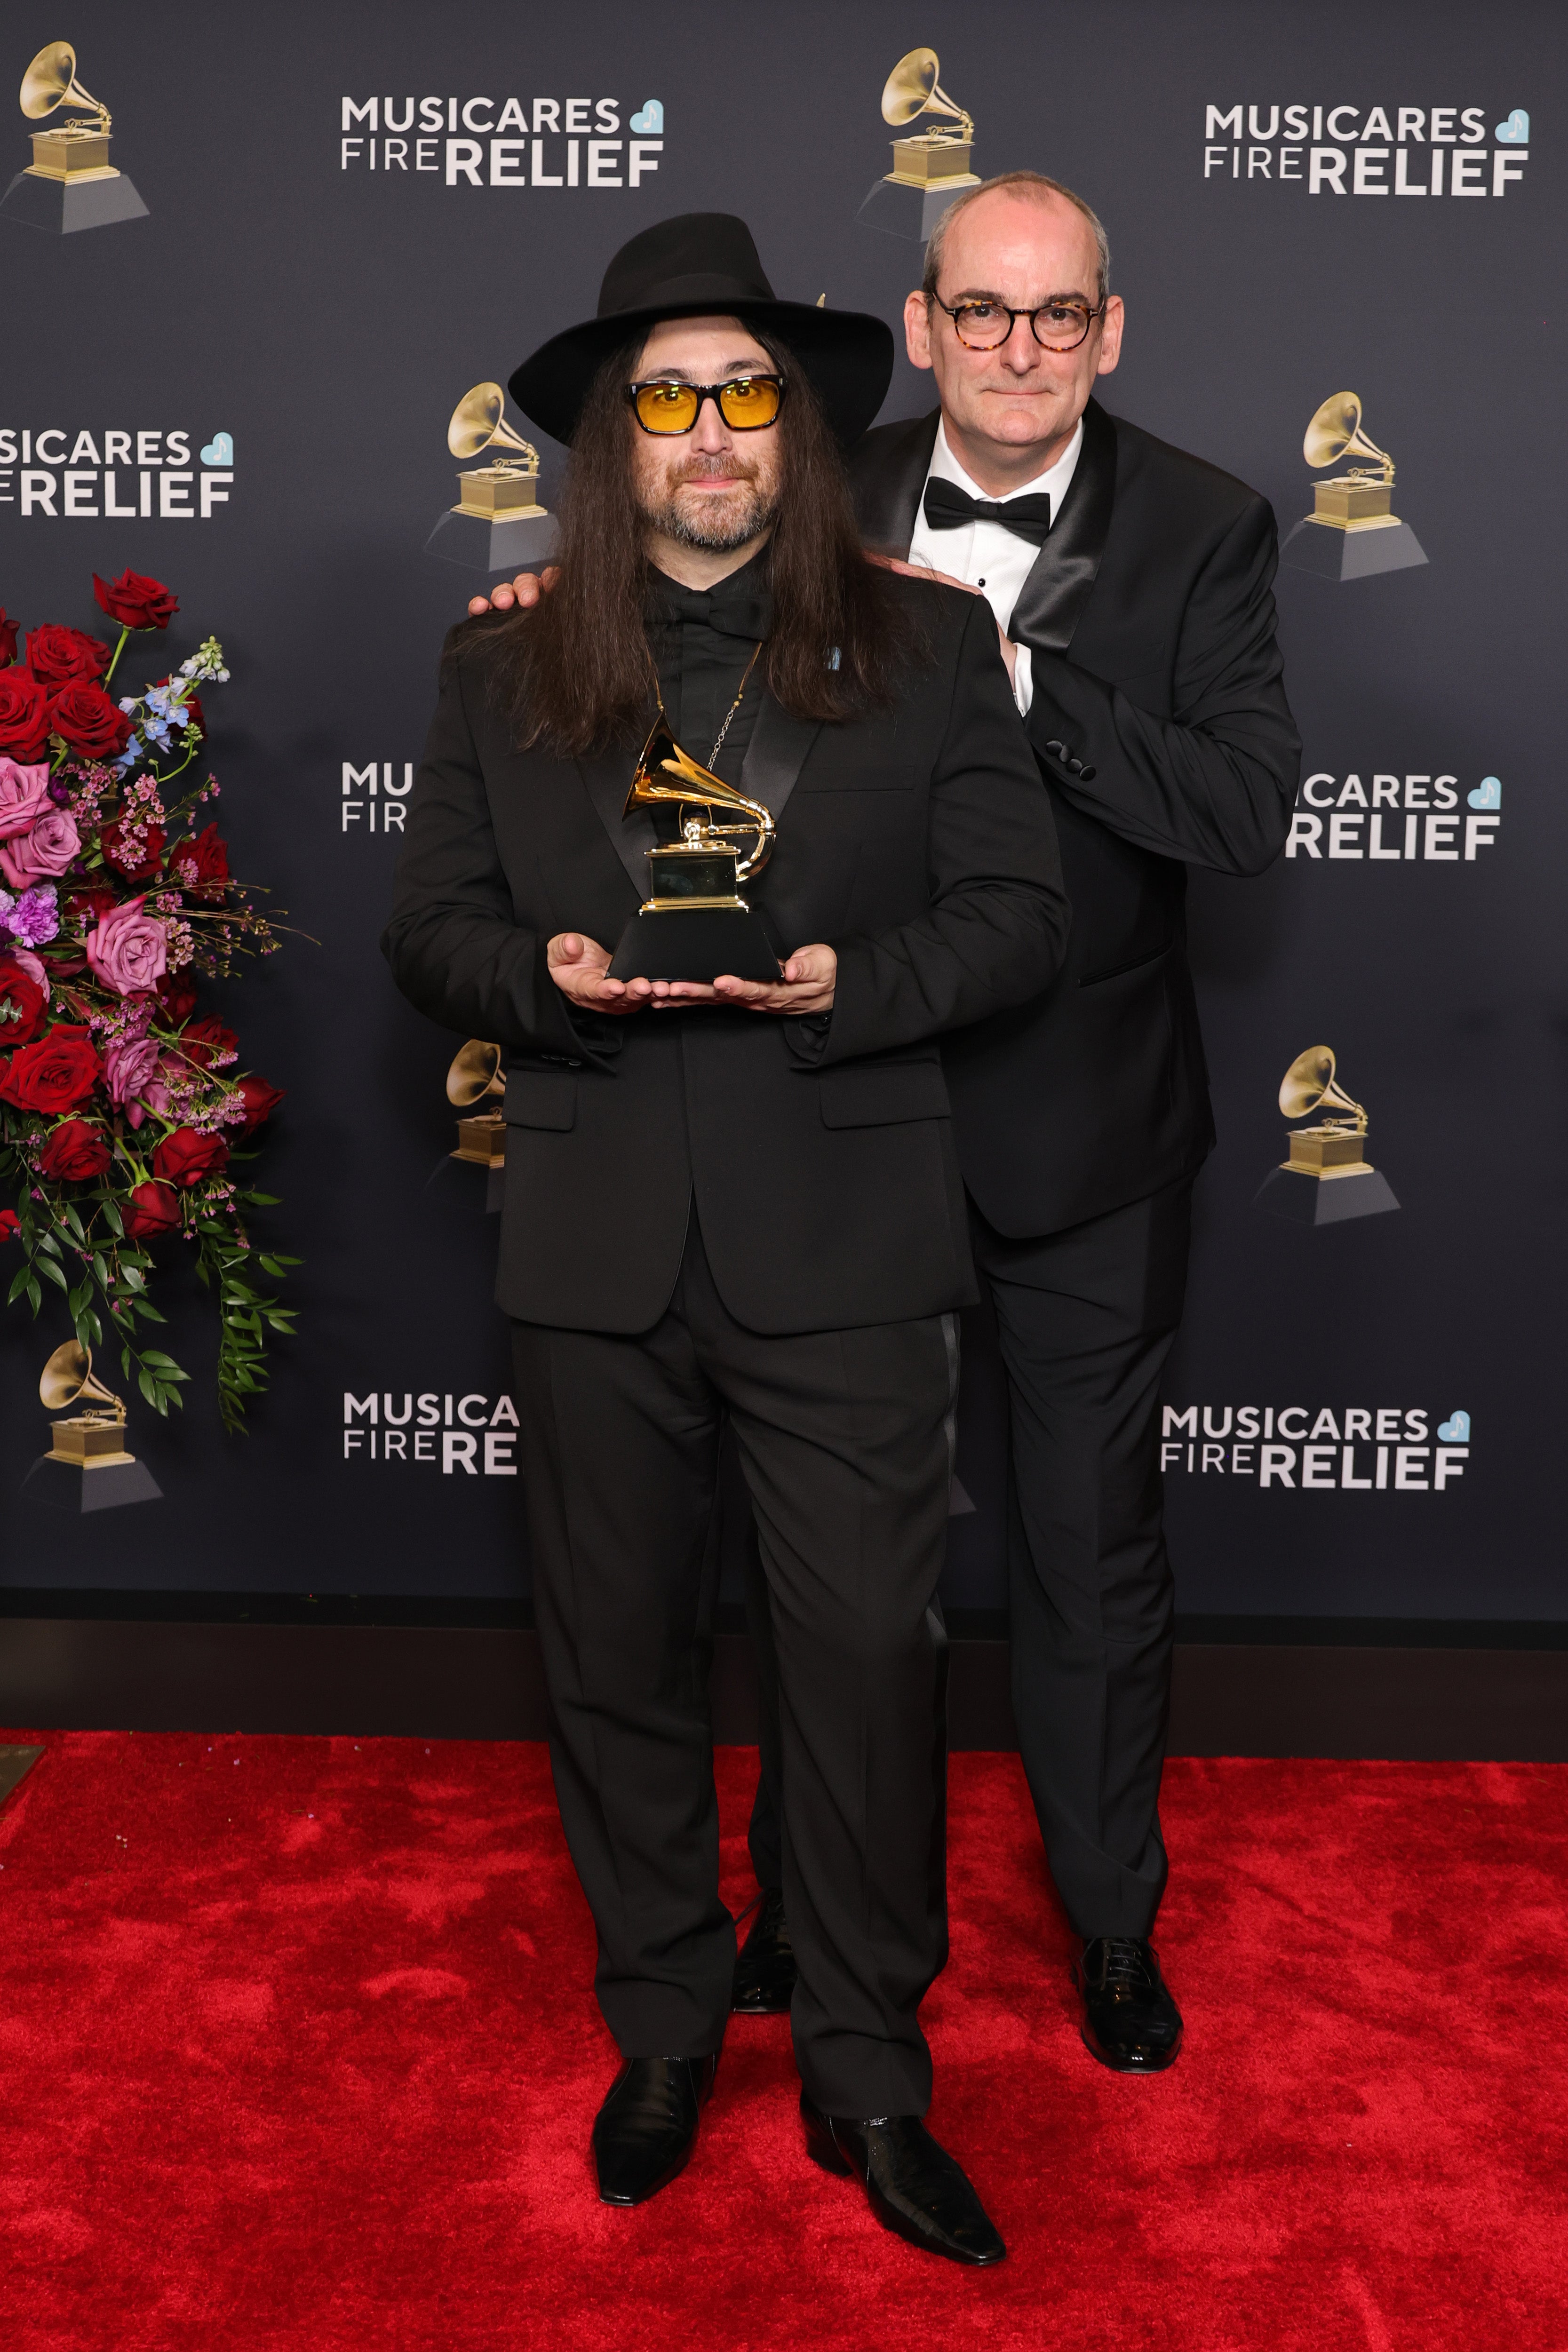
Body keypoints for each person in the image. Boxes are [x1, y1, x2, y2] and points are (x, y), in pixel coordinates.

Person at [476, 174, 1300, 2077]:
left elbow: (1242, 809)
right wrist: (544, 603)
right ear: (920, 327)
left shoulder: (1210, 526)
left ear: (1110, 330)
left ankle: (1109, 1916)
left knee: (1088, 1547)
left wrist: (1017, 673)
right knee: (825, 1573)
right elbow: (643, 609)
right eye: (980, 312)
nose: (1019, 349)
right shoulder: (801, 475)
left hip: (1077, 1129)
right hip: (826, 1114)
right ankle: (801, 1908)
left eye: (1058, 314)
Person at [384, 211, 1068, 2263]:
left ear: (795, 427)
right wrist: (539, 977)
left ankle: (867, 2066)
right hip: (593, 1236)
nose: (707, 432)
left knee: (861, 1666)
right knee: (614, 1661)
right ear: (614, 438)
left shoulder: (927, 642)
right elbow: (430, 928)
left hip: (846, 1235)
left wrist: (854, 981)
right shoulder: (499, 660)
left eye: (744, 394)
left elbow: (1019, 918)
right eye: (665, 397)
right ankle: (668, 2023)